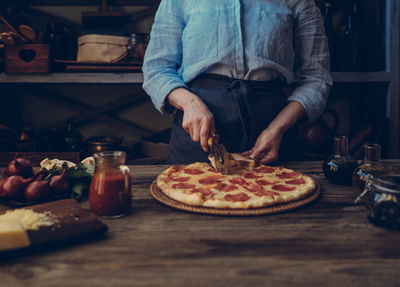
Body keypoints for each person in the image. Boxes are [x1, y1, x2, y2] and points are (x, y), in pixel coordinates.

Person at [142, 0, 332, 165]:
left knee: (281, 201)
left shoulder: (300, 2)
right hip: (198, 133)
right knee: (187, 199)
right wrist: (189, 103)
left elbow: (316, 78)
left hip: (274, 134)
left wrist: (277, 129)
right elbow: (156, 69)